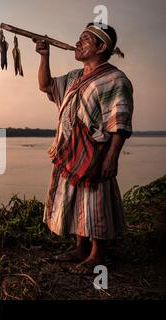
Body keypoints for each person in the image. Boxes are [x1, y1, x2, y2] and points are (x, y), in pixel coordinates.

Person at [34, 23, 134, 274]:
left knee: (95, 202)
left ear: (101, 47)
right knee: (76, 200)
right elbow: (46, 86)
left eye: (86, 39)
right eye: (79, 38)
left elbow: (119, 122)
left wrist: (112, 158)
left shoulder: (115, 79)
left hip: (95, 152)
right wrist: (45, 56)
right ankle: (80, 248)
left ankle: (97, 256)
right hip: (72, 150)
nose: (78, 43)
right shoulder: (74, 77)